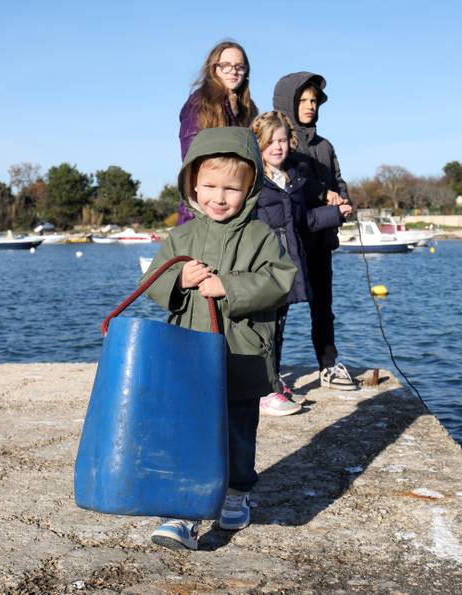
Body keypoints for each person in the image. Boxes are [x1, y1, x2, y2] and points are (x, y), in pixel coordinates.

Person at [141, 127, 296, 550]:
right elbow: (152, 282)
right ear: (192, 183)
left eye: (231, 187)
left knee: (238, 433)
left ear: (250, 188)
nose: (219, 196)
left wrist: (230, 286)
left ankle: (236, 492)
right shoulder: (180, 237)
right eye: (209, 185)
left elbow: (281, 281)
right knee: (184, 432)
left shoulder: (261, 235)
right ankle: (181, 513)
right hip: (187, 358)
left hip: (240, 357)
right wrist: (178, 277)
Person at [250, 111, 352, 416]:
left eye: (282, 140)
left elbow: (303, 221)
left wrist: (337, 214)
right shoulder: (253, 179)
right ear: (258, 144)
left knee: (278, 325)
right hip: (263, 264)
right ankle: (262, 389)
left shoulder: (292, 179)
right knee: (264, 328)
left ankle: (272, 383)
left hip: (287, 265)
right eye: (270, 141)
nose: (277, 147)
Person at [272, 72, 357, 390]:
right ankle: (270, 372)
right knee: (276, 309)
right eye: (303, 100)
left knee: (323, 307)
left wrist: (344, 202)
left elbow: (338, 181)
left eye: (313, 101)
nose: (310, 106)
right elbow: (290, 185)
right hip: (287, 242)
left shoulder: (325, 145)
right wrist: (323, 193)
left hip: (321, 241)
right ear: (287, 102)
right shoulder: (279, 144)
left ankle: (328, 365)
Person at [175, 41, 259, 225]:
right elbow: (191, 158)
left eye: (239, 66)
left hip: (238, 207)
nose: (233, 71)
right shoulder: (199, 104)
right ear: (214, 69)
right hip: (202, 209)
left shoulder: (248, 109)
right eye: (226, 66)